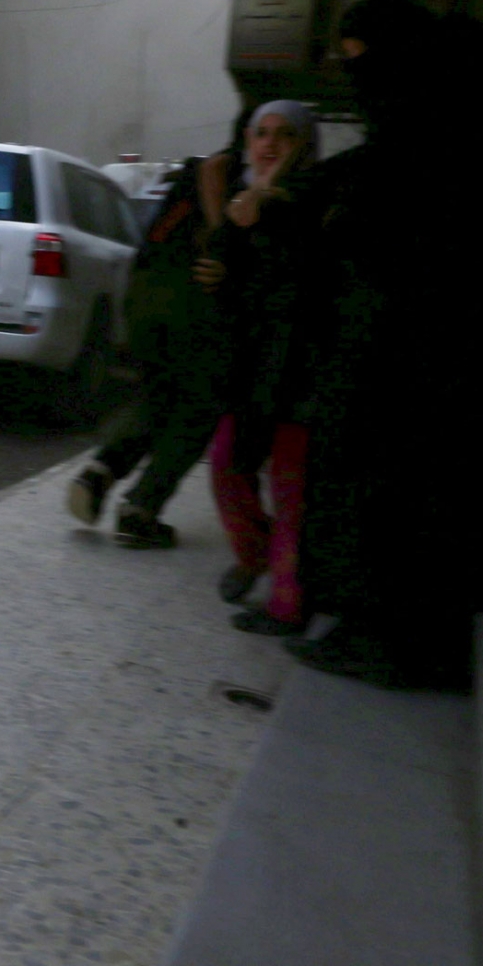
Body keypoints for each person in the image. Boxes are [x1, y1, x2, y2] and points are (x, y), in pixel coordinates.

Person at [292, 0, 483, 689]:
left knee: (395, 491)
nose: (355, 76)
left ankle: (392, 637)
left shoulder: (435, 128)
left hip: (415, 345)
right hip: (466, 346)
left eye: (358, 57)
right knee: (446, 484)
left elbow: (395, 221)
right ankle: (410, 628)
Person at [65, 135, 233, 550]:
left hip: (146, 292)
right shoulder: (237, 164)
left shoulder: (177, 183)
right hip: (187, 296)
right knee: (198, 408)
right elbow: (216, 169)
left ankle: (100, 472)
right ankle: (141, 508)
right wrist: (219, 238)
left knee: (158, 395)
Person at [198, 101, 324, 636]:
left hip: (300, 370)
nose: (270, 145)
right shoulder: (246, 201)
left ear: (305, 145)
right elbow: (223, 264)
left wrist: (267, 206)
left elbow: (303, 278)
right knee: (228, 465)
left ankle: (288, 604)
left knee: (291, 486)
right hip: (253, 369)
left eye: (285, 135)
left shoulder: (312, 199)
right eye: (262, 134)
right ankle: (256, 554)